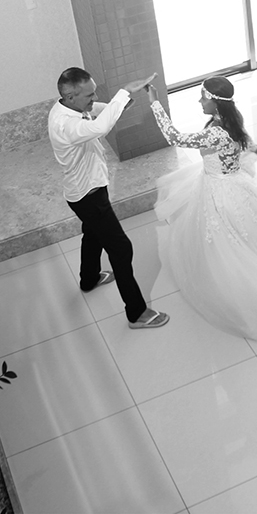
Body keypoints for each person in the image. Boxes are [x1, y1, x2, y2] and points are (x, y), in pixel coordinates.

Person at [146, 76, 257, 341]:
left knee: (224, 242)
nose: (199, 101)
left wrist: (155, 103)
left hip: (219, 191)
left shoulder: (216, 131)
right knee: (238, 237)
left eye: (203, 97)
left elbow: (174, 137)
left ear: (215, 102)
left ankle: (237, 289)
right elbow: (248, 147)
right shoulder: (232, 120)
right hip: (234, 184)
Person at [49, 67, 168, 329]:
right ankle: (136, 313)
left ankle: (88, 279)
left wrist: (124, 100)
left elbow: (101, 112)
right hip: (89, 197)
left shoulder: (69, 108)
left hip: (85, 192)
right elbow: (100, 126)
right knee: (121, 248)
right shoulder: (66, 124)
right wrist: (124, 91)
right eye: (89, 95)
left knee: (92, 234)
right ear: (70, 96)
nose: (93, 99)